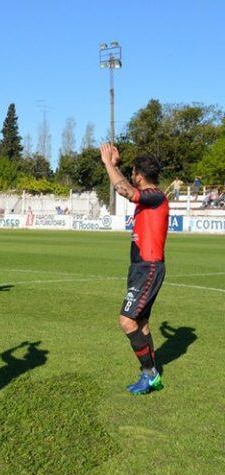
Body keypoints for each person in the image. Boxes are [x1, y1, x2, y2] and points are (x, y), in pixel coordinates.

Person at [100, 143, 168, 395]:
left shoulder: (156, 195)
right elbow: (127, 188)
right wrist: (115, 166)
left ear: (139, 174)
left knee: (127, 321)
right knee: (142, 322)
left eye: (133, 172)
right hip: (141, 267)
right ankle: (151, 374)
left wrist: (109, 164)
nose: (131, 176)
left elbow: (125, 191)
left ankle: (150, 373)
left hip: (148, 268)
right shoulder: (150, 197)